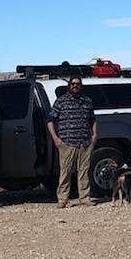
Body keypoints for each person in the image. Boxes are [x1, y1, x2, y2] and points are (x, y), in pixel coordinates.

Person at [46, 74, 96, 210]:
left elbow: (92, 119)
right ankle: (63, 199)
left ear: (81, 86)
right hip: (67, 142)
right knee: (65, 172)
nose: (75, 86)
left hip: (85, 142)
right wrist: (56, 138)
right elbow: (50, 120)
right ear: (69, 86)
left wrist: (94, 135)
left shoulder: (87, 101)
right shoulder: (61, 101)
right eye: (73, 84)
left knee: (84, 172)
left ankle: (85, 198)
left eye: (77, 84)